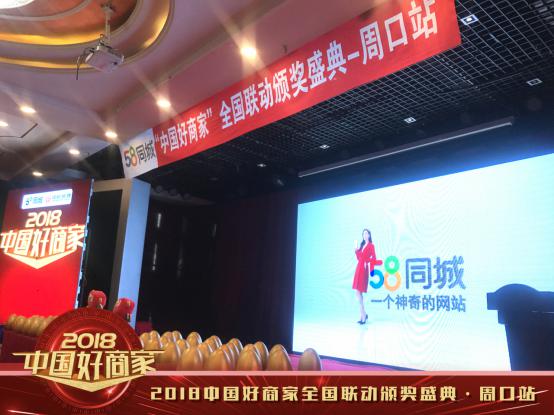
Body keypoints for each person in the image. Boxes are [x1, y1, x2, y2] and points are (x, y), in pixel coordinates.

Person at [352, 229, 377, 324]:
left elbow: (374, 258)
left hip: (364, 268)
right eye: (363, 234)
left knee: (359, 291)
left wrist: (367, 262)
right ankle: (363, 314)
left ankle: (363, 315)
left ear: (369, 235)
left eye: (366, 233)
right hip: (359, 267)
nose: (365, 235)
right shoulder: (362, 245)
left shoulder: (371, 246)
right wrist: (356, 251)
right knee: (358, 292)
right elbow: (359, 258)